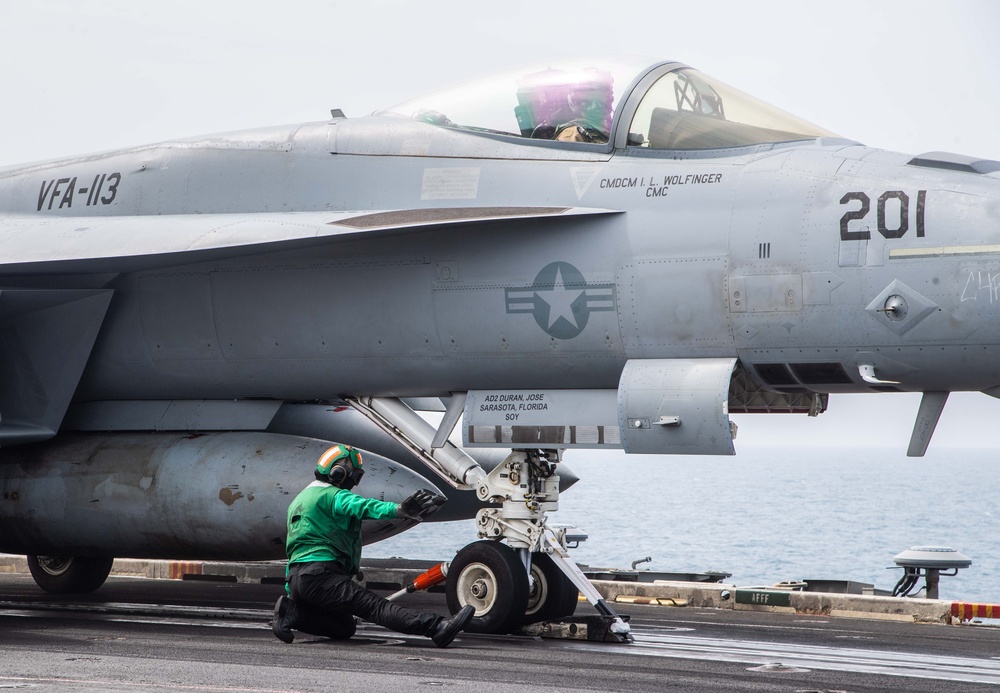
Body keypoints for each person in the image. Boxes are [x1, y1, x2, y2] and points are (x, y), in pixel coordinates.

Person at [271, 444, 475, 647]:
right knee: (375, 608)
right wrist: (399, 510)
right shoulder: (333, 496)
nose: (354, 482)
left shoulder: (299, 501)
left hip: (298, 580)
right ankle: (437, 628)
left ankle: (293, 613)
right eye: (354, 476)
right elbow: (363, 506)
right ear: (338, 473)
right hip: (322, 575)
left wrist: (292, 591)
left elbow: (295, 550)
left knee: (345, 627)